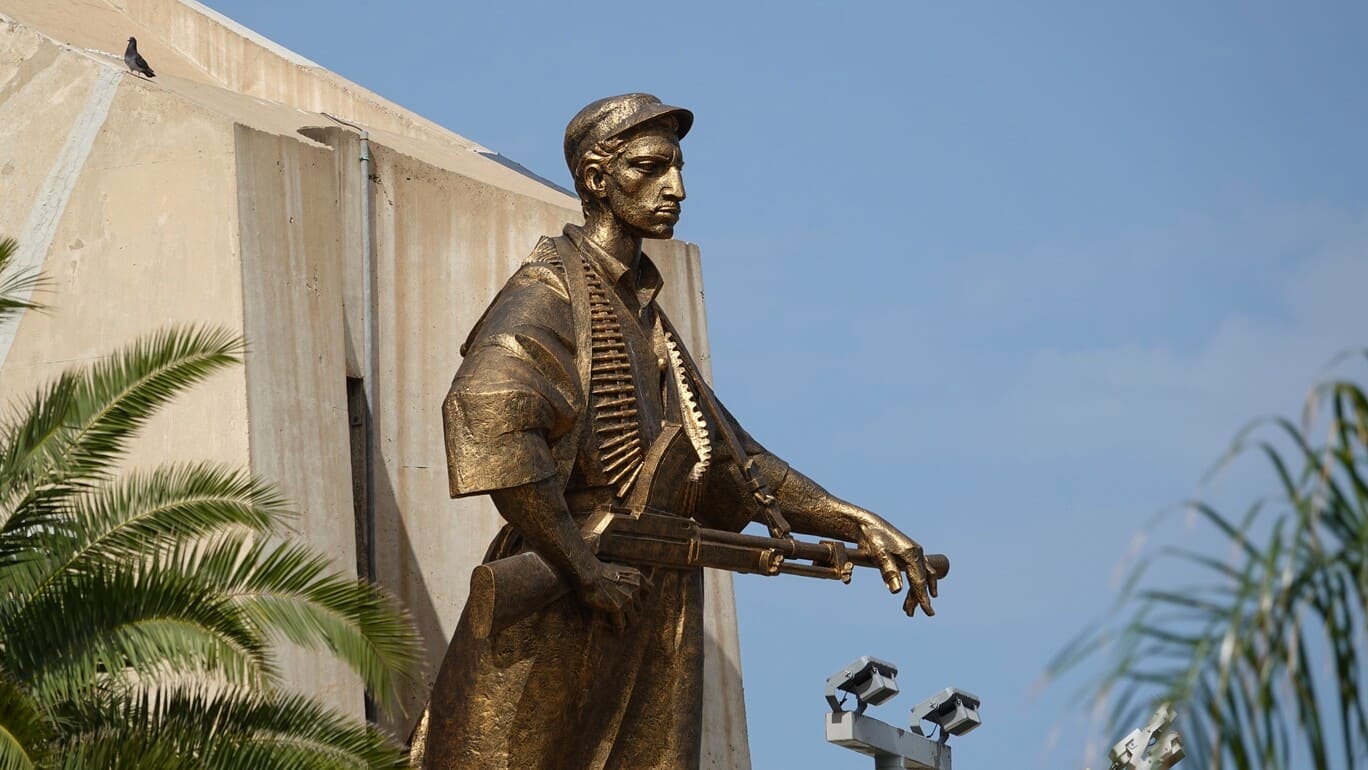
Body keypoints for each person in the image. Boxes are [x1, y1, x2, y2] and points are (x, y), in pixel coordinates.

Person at [420, 93, 938, 770]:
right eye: (650, 167)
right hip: (577, 588)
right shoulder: (551, 290)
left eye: (678, 168)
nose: (676, 189)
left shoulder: (648, 318)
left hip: (656, 596)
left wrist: (855, 521)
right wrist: (582, 569)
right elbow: (490, 413)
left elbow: (734, 464)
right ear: (597, 179)